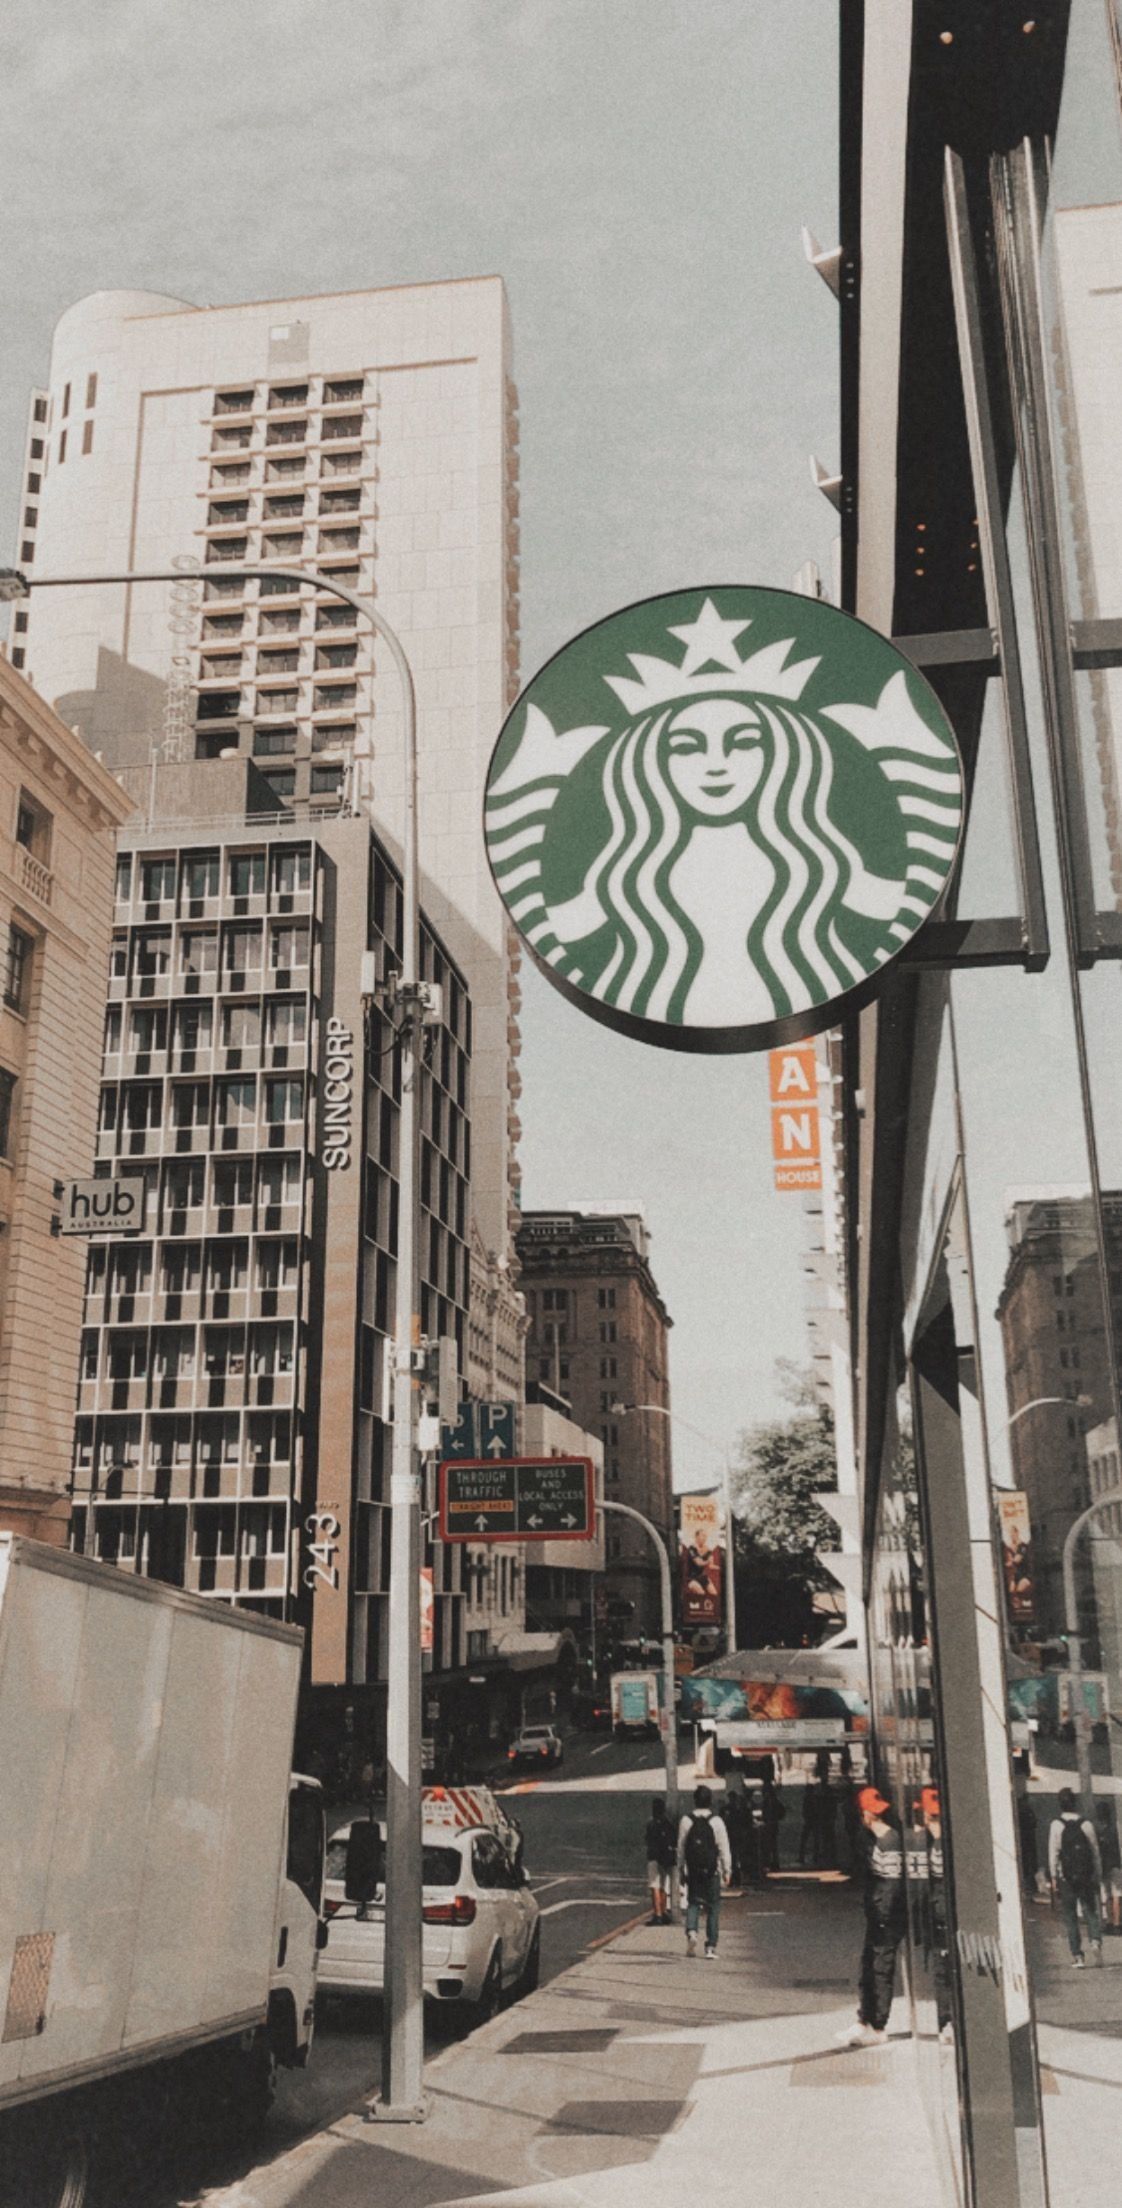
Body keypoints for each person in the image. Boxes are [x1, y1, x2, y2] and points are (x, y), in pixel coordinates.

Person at [837, 1785, 907, 2047]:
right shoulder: (885, 1840)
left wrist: (881, 1912)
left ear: (866, 1814)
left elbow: (890, 1884)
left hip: (885, 1917)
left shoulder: (887, 1843)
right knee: (870, 1964)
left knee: (880, 1967)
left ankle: (878, 2025)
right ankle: (865, 2019)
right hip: (880, 1913)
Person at [1049, 1787, 1104, 1967]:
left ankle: (1078, 1956)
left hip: (1066, 1877)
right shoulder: (1086, 1824)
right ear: (1075, 1802)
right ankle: (1095, 1941)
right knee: (1090, 1910)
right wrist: (1097, 1871)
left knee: (1070, 1916)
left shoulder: (1056, 1825)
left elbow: (1053, 1852)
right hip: (1086, 1876)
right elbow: (1094, 1850)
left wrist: (1054, 1876)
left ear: (1060, 1804)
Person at [677, 1783, 732, 1958]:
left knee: (693, 1902)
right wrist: (727, 1870)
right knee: (713, 1907)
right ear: (710, 1802)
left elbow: (681, 1847)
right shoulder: (716, 1821)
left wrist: (680, 1869)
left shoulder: (686, 1821)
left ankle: (692, 1932)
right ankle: (710, 1947)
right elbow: (724, 1847)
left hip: (693, 1870)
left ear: (694, 1800)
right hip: (712, 1871)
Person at [645, 1796, 676, 1924]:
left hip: (654, 1857)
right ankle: (663, 1912)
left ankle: (657, 1914)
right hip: (666, 1858)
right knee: (663, 1886)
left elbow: (647, 1839)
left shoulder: (651, 1823)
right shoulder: (668, 1823)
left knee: (655, 1886)